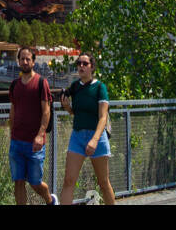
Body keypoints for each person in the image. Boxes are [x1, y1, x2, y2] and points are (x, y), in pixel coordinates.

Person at [60, 53, 116, 205]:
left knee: (103, 183)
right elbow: (75, 113)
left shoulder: (99, 87)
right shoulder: (75, 87)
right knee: (69, 180)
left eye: (85, 63)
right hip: (77, 136)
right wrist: (67, 107)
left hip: (97, 137)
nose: (81, 66)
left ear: (92, 67)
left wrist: (95, 140)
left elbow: (103, 117)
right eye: (79, 63)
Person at [8, 45, 57, 205]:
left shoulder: (41, 82)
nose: (25, 61)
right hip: (17, 141)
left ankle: (50, 200)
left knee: (35, 182)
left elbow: (46, 112)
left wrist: (40, 135)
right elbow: (13, 109)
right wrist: (11, 132)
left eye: (28, 59)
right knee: (18, 181)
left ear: (33, 62)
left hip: (35, 143)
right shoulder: (14, 85)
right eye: (22, 58)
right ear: (18, 62)